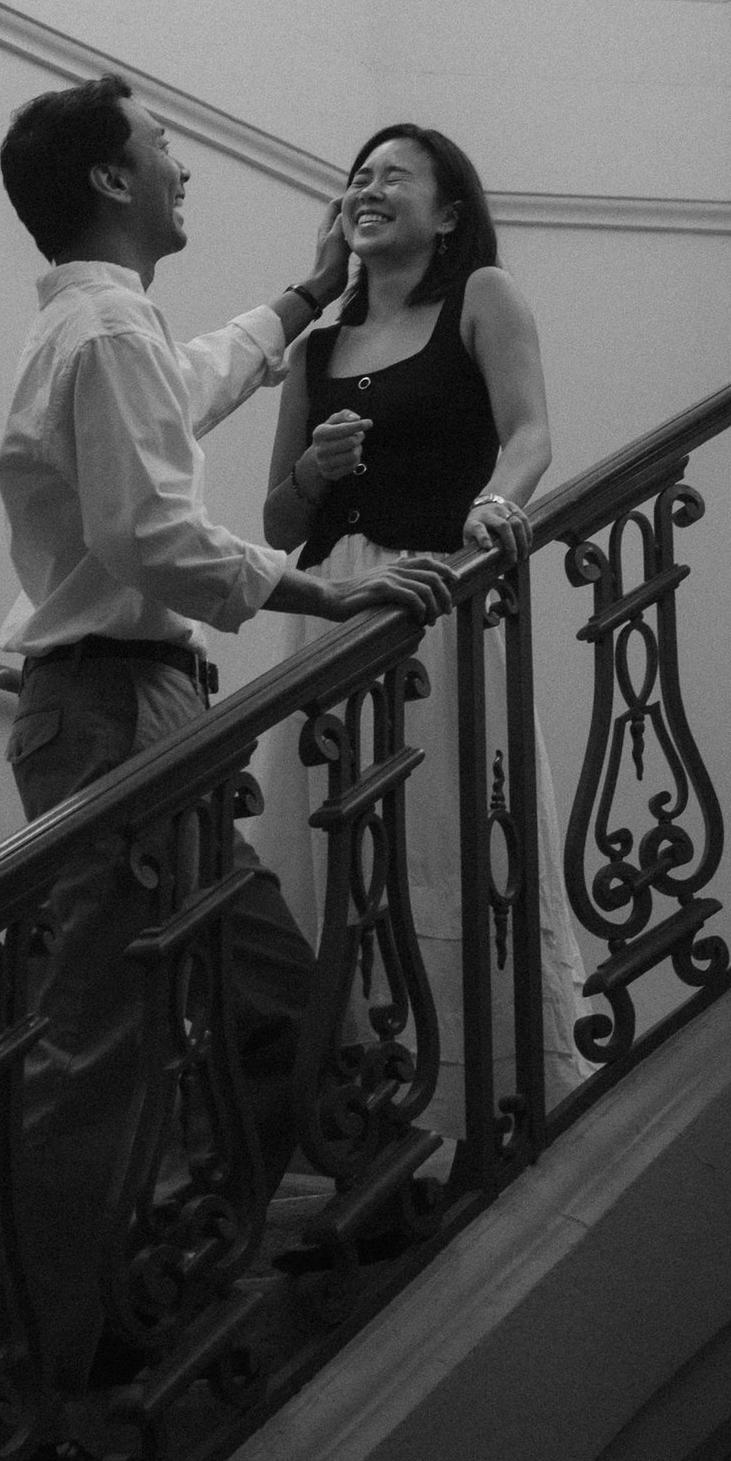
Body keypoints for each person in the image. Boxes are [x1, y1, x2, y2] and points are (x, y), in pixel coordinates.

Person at [0, 73, 451, 1420]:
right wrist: (326, 590)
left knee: (259, 977)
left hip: (135, 705)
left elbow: (188, 389)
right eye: (165, 148)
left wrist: (305, 302)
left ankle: (347, 1193)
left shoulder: (105, 326)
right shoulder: (103, 335)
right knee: (96, 1046)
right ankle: (51, 1370)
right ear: (115, 183)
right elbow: (154, 539)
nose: (183, 166)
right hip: (117, 706)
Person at [255, 122, 588, 1143]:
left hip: (435, 599)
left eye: (393, 174)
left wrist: (496, 500)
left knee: (443, 839)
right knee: (337, 851)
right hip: (330, 616)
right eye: (358, 174)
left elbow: (530, 428)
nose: (368, 186)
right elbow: (277, 523)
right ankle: (366, 1109)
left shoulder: (481, 297)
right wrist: (314, 470)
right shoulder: (317, 348)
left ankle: (482, 1094)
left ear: (446, 211)